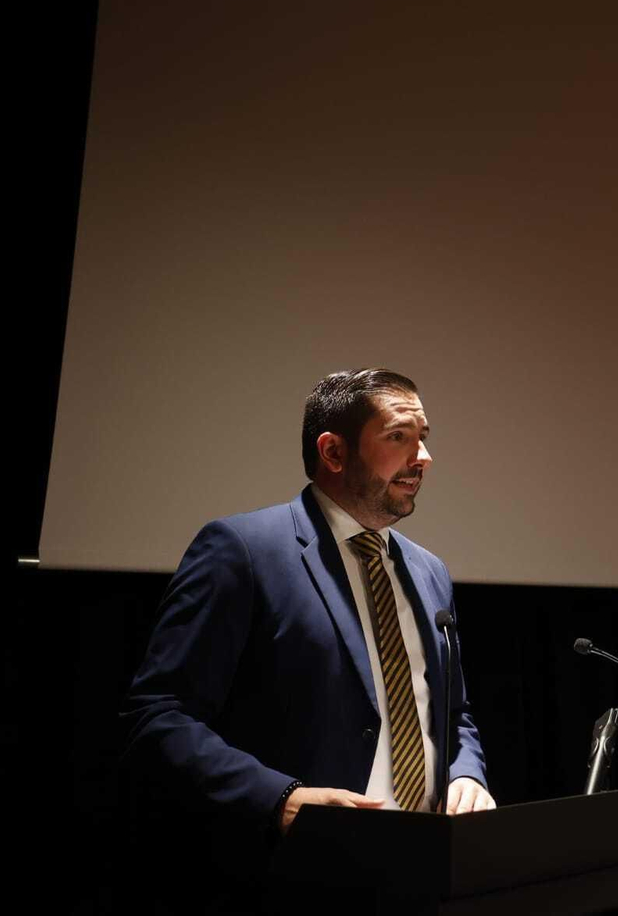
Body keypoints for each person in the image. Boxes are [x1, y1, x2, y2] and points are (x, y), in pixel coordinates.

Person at [121, 369, 491, 908]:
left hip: (426, 871)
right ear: (334, 452)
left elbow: (454, 714)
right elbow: (157, 715)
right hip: (292, 877)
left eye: (424, 438)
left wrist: (467, 775)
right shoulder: (243, 550)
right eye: (398, 437)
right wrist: (281, 799)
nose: (423, 458)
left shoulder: (429, 571)